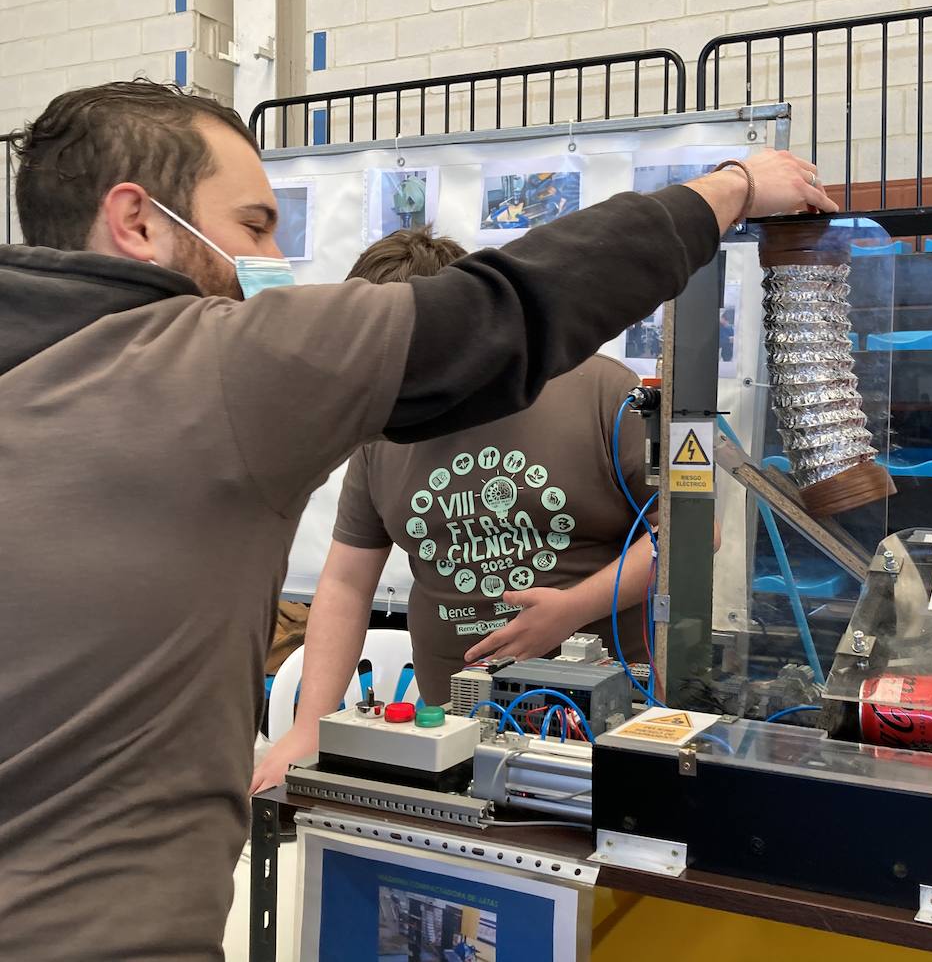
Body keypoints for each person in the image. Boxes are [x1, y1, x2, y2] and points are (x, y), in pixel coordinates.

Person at [0, 78, 835, 959]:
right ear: (137, 221)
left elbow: (684, 532)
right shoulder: (210, 366)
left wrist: (571, 608)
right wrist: (732, 187)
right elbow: (507, 308)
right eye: (252, 226)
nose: (272, 260)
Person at [250, 226, 660, 790]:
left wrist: (575, 607)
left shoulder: (599, 391)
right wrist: (308, 727)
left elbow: (690, 533)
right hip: (450, 728)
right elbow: (345, 583)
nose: (403, 387)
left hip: (603, 725)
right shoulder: (383, 431)